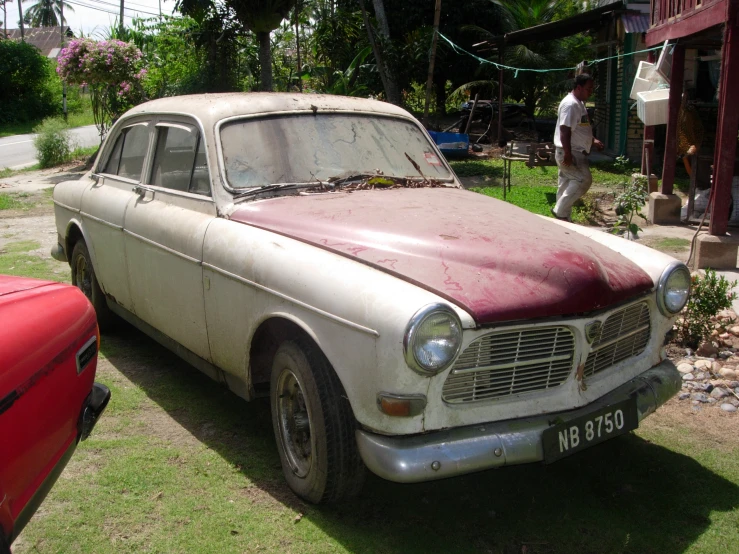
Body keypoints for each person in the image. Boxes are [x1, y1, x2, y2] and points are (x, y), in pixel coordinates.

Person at [552, 73, 604, 220]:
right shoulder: (571, 104)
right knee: (583, 180)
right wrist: (568, 153)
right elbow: (565, 129)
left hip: (572, 151)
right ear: (579, 87)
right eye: (589, 88)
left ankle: (563, 219)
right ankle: (559, 211)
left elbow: (579, 128)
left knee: (566, 183)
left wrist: (592, 140)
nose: (591, 91)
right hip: (570, 152)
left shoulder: (578, 103)